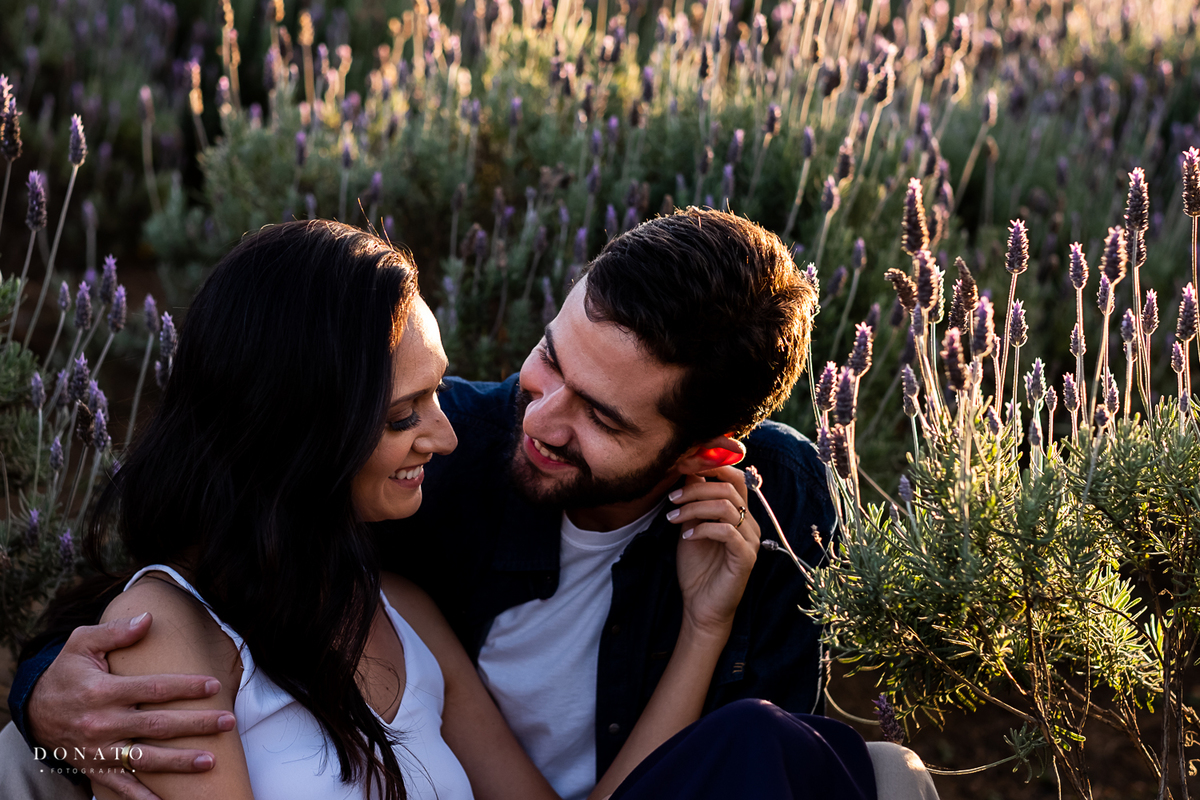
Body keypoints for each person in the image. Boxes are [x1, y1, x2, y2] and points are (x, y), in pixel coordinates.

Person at [7, 210, 934, 799]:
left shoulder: (771, 504)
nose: (523, 417)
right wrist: (42, 703)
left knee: (775, 748)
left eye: (602, 415)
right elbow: (165, 608)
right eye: (552, 357)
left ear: (703, 452)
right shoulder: (449, 469)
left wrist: (702, 626)